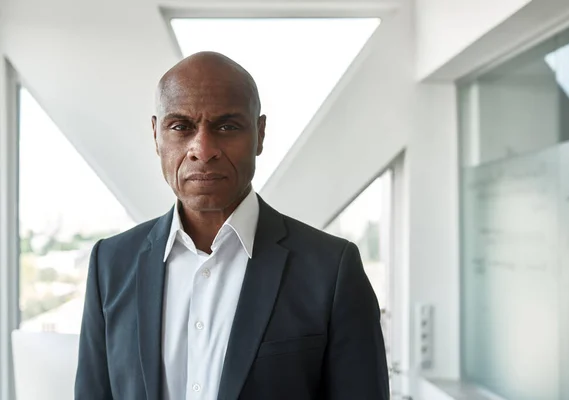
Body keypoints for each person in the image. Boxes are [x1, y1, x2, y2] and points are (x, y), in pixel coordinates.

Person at [75, 51, 389, 400]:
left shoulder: (331, 269)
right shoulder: (110, 263)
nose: (203, 149)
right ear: (156, 135)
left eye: (227, 126)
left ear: (260, 134)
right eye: (181, 127)